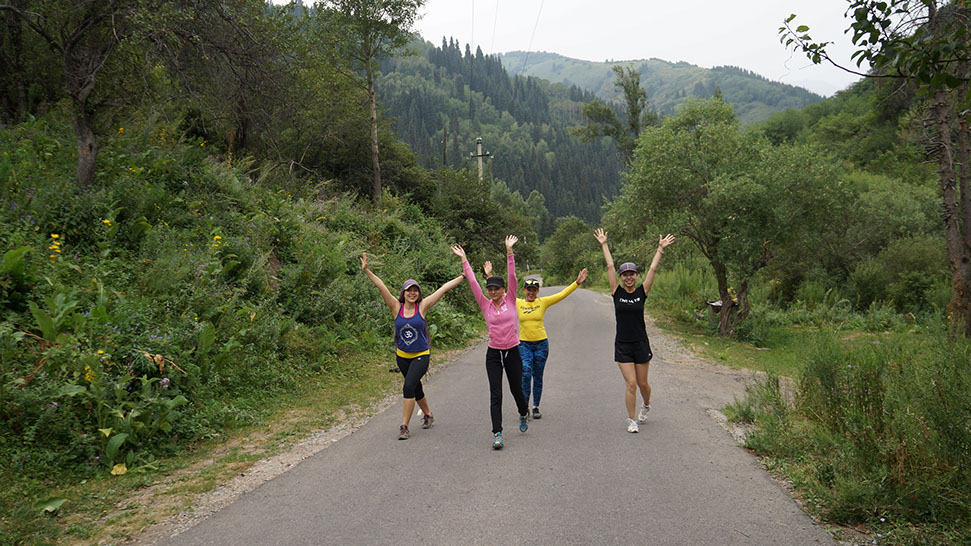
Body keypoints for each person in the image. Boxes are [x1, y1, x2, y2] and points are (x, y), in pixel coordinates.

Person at [361, 253, 466, 440]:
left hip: (421, 355)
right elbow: (381, 286)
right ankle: (428, 415)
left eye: (415, 290)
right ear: (403, 293)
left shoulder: (422, 307)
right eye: (409, 290)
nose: (412, 293)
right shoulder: (396, 307)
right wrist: (367, 270)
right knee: (416, 388)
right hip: (402, 356)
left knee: (408, 386)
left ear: (419, 293)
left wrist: (464, 275)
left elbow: (443, 288)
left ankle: (404, 426)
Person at [593, 228, 675, 433]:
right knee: (631, 384)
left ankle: (646, 404)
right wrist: (604, 244)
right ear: (621, 277)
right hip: (623, 345)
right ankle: (631, 420)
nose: (628, 278)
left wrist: (660, 249)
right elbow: (610, 266)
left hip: (640, 343)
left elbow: (653, 269)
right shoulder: (616, 292)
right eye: (625, 275)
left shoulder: (642, 291)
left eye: (632, 274)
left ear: (637, 276)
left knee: (643, 384)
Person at [451, 236, 529, 450]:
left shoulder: (511, 299)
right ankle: (497, 433)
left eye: (496, 288)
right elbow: (473, 283)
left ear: (503, 290)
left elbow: (512, 276)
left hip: (513, 351)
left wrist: (509, 252)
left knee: (516, 389)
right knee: (496, 394)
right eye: (490, 289)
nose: (492, 292)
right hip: (494, 353)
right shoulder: (485, 304)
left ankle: (523, 412)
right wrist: (464, 259)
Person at [483, 261, 588, 420]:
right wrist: (489, 275)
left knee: (538, 376)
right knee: (526, 373)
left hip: (541, 344)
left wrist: (577, 283)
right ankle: (524, 407)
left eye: (534, 290)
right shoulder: (516, 302)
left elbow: (561, 295)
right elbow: (497, 292)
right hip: (523, 344)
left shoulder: (542, 302)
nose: (531, 293)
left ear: (537, 291)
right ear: (524, 290)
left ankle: (535, 406)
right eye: (528, 289)